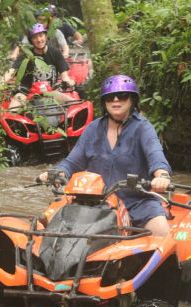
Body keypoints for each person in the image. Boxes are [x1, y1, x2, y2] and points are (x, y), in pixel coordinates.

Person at [38, 75, 172, 236]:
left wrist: (161, 176)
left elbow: (156, 157)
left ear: (132, 100)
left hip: (138, 202)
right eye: (109, 97)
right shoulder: (93, 129)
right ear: (104, 102)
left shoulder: (143, 128)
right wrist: (57, 172)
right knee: (47, 222)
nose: (115, 100)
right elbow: (72, 163)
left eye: (122, 96)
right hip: (95, 204)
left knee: (161, 232)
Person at [3, 23, 75, 110]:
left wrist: (68, 81)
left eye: (41, 36)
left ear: (45, 36)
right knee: (12, 111)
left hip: (51, 92)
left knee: (74, 104)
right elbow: (11, 71)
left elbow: (64, 75)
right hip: (26, 93)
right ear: (31, 40)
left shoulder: (55, 53)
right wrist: (2, 82)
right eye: (35, 37)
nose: (39, 39)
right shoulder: (25, 55)